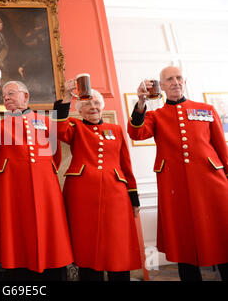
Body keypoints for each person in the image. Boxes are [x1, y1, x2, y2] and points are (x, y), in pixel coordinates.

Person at [127, 66, 228, 281]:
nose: (175, 82)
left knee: (222, 236)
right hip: (175, 188)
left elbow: (221, 147)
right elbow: (137, 132)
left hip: (212, 184)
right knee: (184, 242)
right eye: (169, 79)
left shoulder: (206, 110)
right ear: (161, 86)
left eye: (179, 78)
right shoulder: (156, 115)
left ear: (185, 81)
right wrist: (141, 102)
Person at [0, 79, 73, 280]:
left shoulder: (45, 120)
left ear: (25, 96)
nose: (6, 98)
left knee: (51, 231)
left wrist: (68, 98)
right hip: (14, 188)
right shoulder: (0, 124)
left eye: (11, 93)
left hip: (46, 186)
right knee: (17, 235)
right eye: (4, 96)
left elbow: (59, 141)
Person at [53, 82, 142, 281]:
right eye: (87, 103)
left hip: (116, 195)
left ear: (102, 106)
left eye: (96, 102)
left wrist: (133, 198)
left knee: (117, 245)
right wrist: (67, 97)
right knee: (87, 245)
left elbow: (126, 166)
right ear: (80, 110)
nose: (92, 106)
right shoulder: (74, 127)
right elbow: (59, 129)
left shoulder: (116, 129)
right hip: (82, 195)